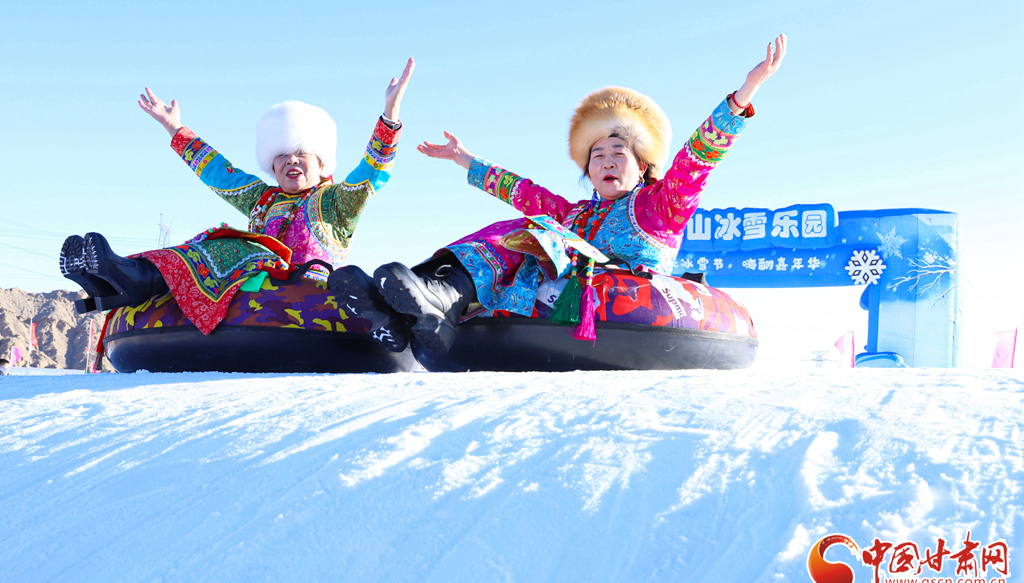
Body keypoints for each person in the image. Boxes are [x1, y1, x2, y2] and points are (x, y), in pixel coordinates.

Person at [331, 36, 786, 356]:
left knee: (536, 229)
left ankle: (439, 296)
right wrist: (464, 159)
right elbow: (523, 192)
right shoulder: (576, 214)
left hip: (618, 290)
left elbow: (696, 160)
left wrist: (742, 97)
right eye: (597, 156)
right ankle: (409, 307)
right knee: (529, 223)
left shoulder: (658, 206)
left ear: (643, 165)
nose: (606, 162)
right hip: (558, 272)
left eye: (618, 153)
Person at [60, 59, 415, 347]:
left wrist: (390, 114)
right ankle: (126, 275)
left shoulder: (336, 203)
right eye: (282, 156)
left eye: (301, 154)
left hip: (309, 293)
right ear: (272, 165)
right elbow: (220, 173)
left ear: (321, 164)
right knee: (211, 247)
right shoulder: (263, 200)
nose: (291, 161)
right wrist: (174, 127)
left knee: (233, 244)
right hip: (254, 287)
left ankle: (136, 277)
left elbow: (373, 169)